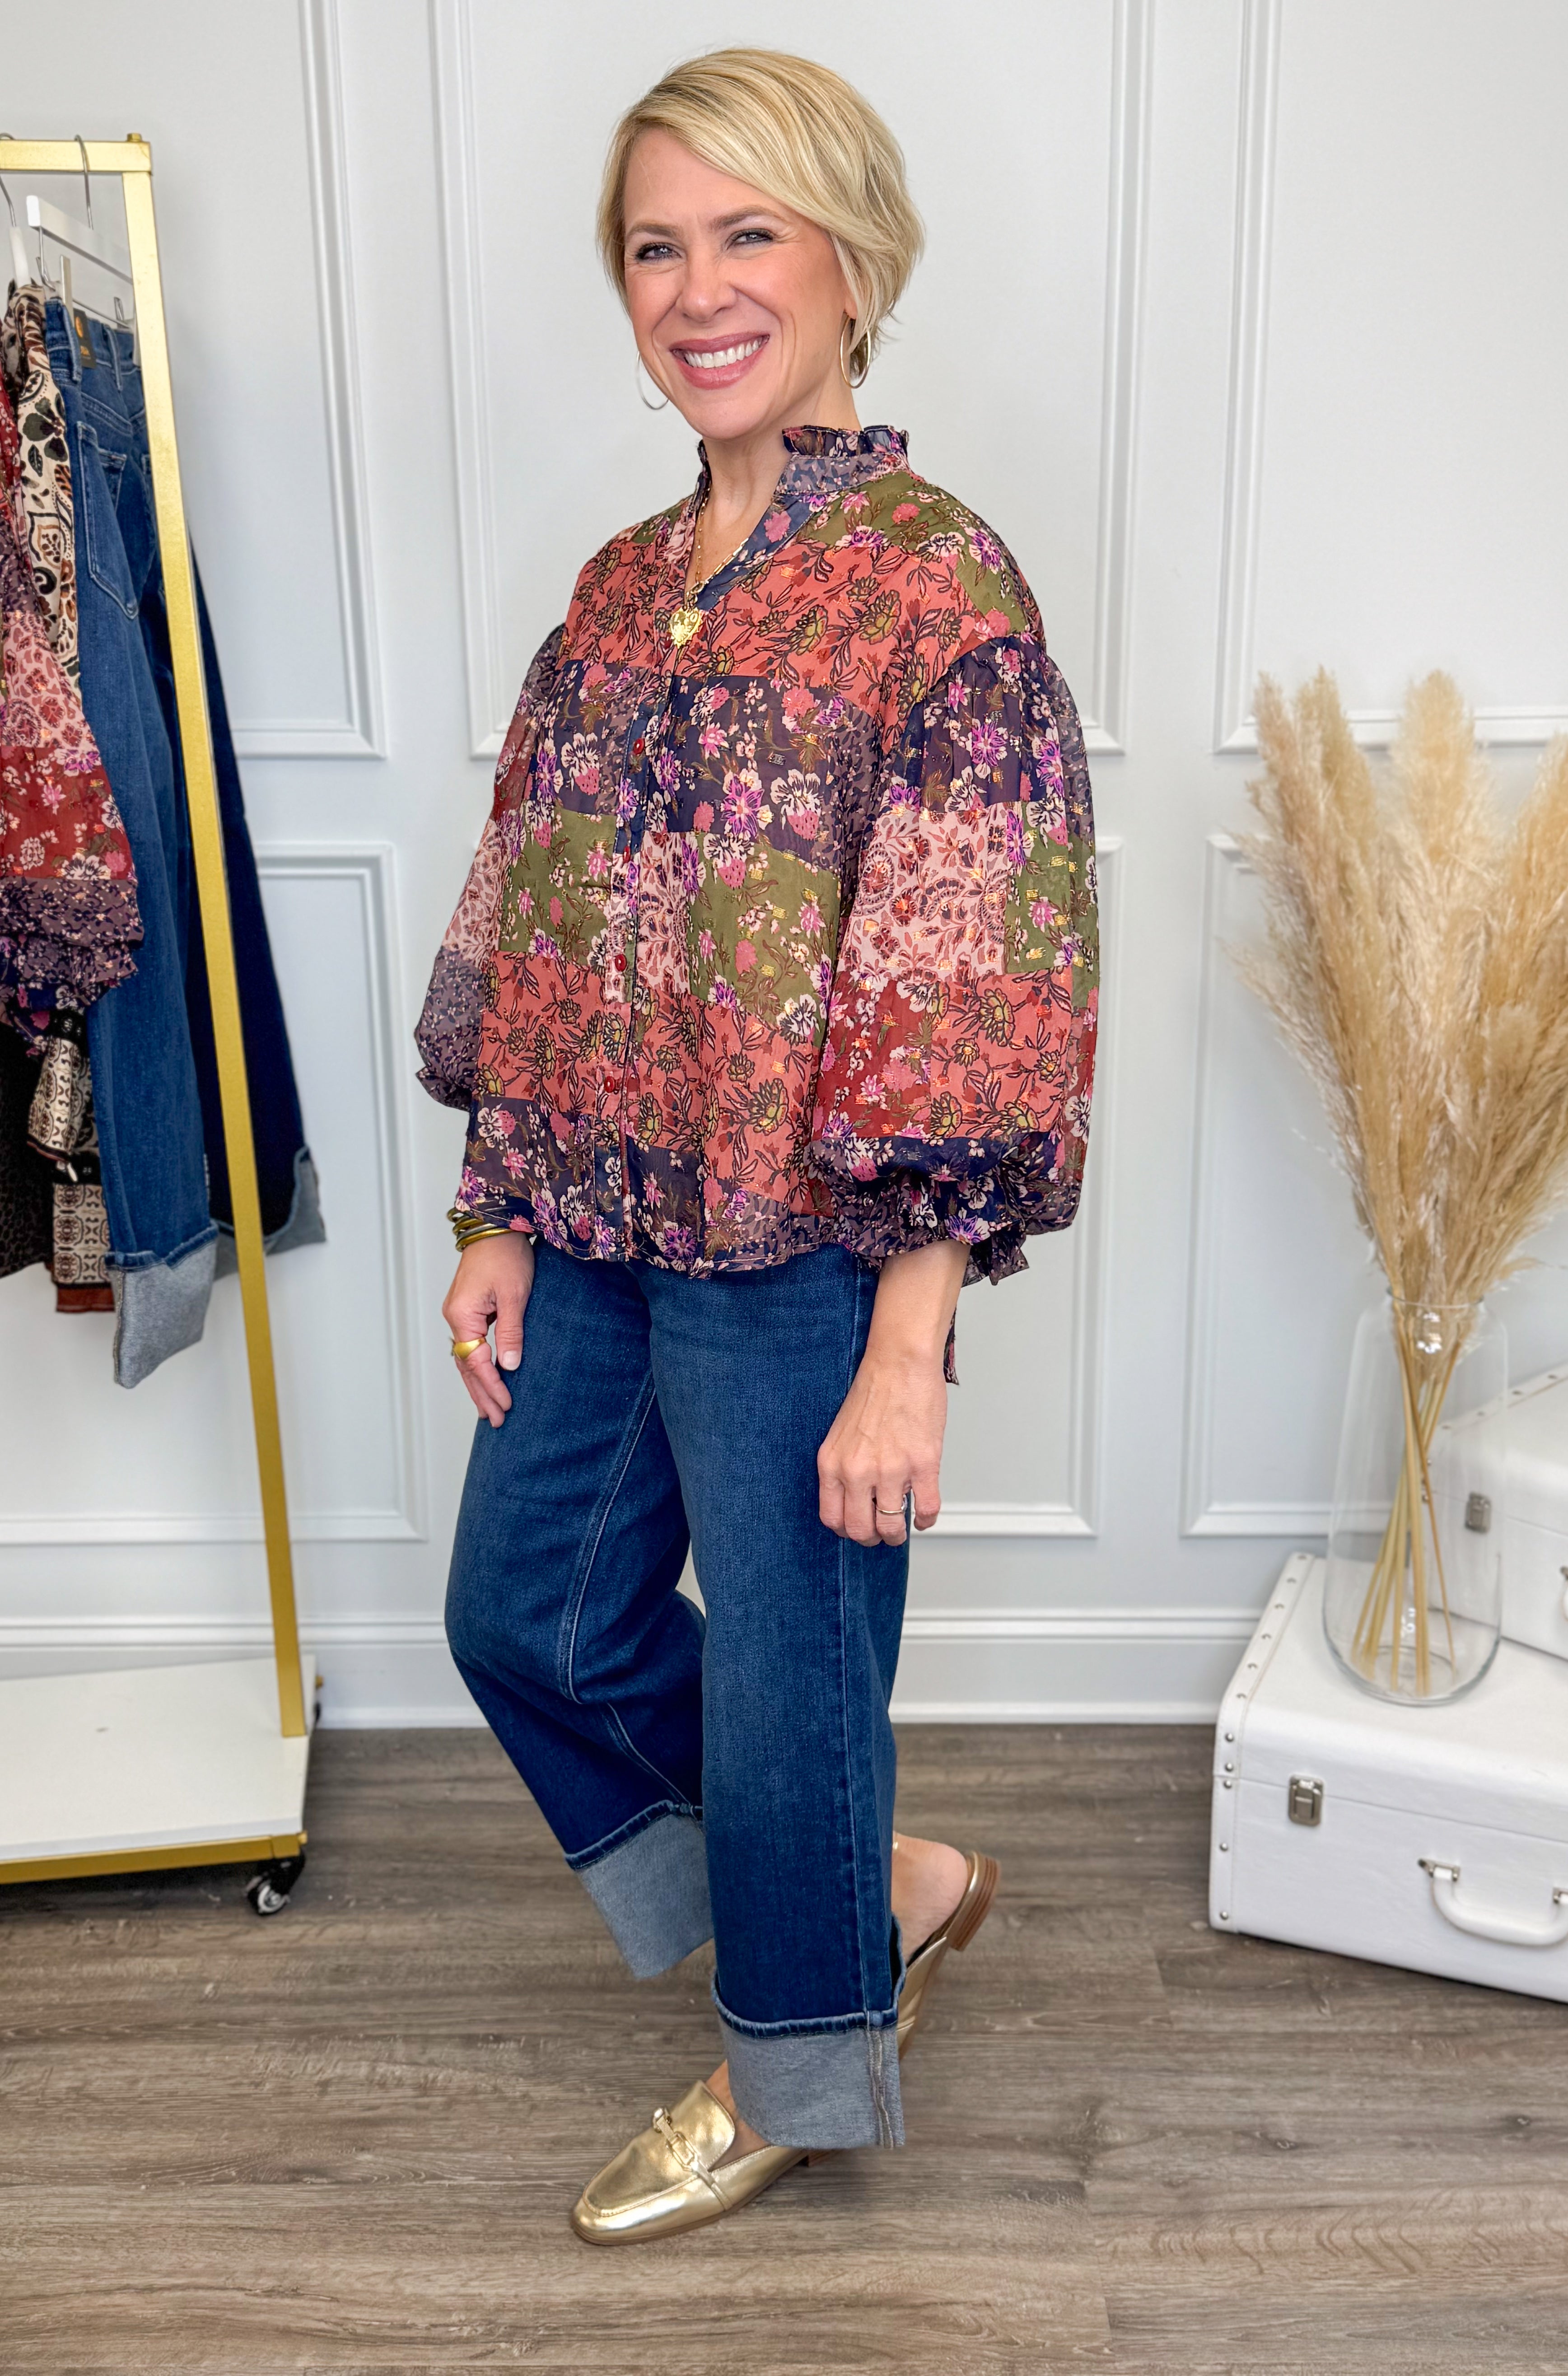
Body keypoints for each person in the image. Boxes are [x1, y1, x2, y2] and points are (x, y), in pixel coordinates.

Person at [415, 46, 1099, 2245]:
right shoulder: (617, 595)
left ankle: (799, 2057)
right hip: (601, 1218)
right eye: (653, 245)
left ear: (848, 261)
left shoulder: (936, 592)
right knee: (524, 1614)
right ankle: (870, 1879)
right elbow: (535, 914)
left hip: (807, 1255)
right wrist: (502, 1208)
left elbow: (977, 987)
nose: (696, 289)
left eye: (746, 234)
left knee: (792, 1669)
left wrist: (908, 1345)